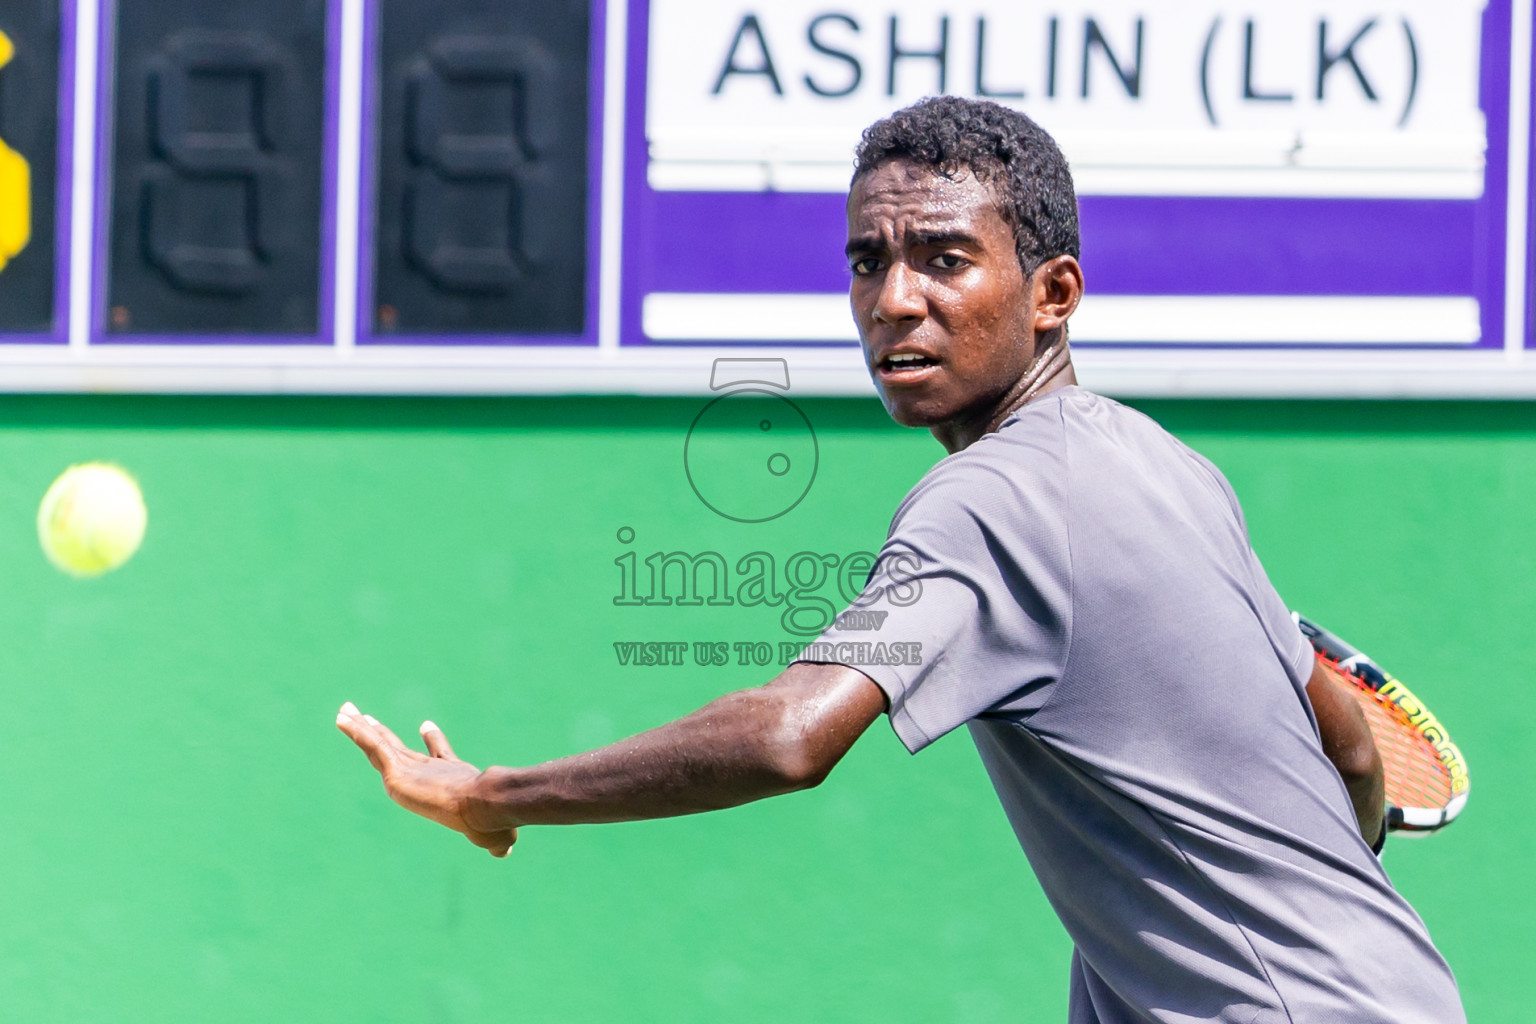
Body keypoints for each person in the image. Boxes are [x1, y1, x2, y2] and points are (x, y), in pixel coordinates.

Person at [337, 96, 1464, 1023]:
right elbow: (1351, 740)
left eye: (944, 259)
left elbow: (789, 736)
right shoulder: (1168, 464)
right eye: (868, 261)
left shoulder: (984, 501)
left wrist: (497, 794)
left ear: (1053, 294)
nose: (893, 300)